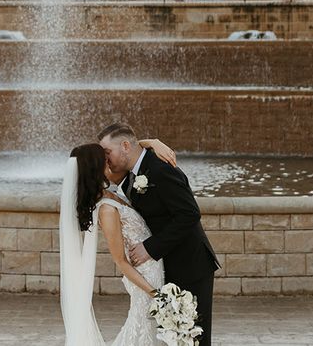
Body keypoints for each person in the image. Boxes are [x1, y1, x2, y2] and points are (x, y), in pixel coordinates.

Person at [98, 123, 220, 346]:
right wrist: (150, 141)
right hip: (165, 268)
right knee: (173, 337)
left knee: (194, 338)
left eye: (108, 153)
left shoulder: (161, 168)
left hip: (189, 265)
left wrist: (150, 247)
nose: (106, 159)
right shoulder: (130, 175)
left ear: (125, 146)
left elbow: (189, 214)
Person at [60, 138, 175, 345]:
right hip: (144, 277)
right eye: (104, 158)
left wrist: (152, 143)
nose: (110, 161)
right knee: (142, 329)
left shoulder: (111, 192)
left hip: (152, 266)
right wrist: (156, 294)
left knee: (148, 331)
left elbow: (128, 148)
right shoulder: (106, 209)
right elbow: (120, 260)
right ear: (96, 167)